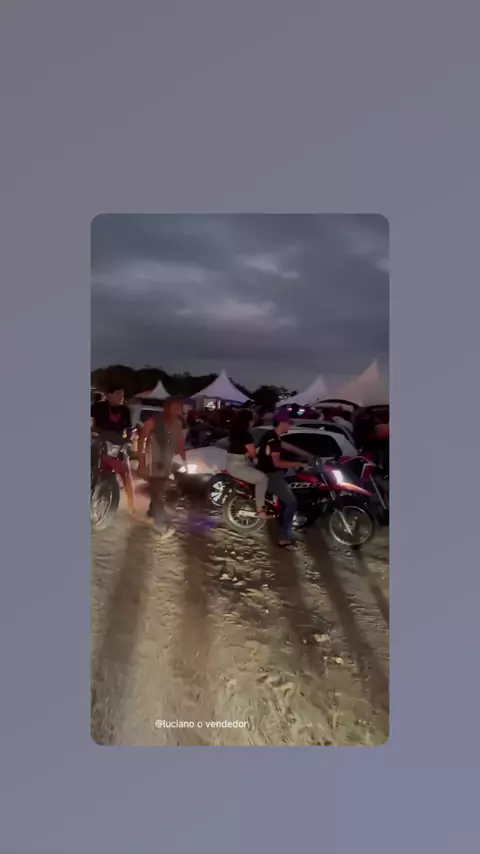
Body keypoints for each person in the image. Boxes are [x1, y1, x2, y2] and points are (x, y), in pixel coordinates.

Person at [256, 408, 309, 548]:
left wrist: (309, 455)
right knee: (292, 502)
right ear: (282, 423)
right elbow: (277, 463)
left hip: (271, 472)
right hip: (271, 475)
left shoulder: (272, 435)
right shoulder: (273, 440)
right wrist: (299, 464)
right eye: (288, 423)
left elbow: (289, 447)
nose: (289, 426)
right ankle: (284, 537)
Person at [137, 396, 186, 537]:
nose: (178, 411)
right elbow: (141, 443)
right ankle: (161, 525)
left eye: (180, 408)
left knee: (158, 491)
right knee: (158, 493)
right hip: (152, 463)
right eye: (175, 408)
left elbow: (179, 442)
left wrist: (184, 460)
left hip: (166, 463)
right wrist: (141, 463)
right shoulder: (152, 422)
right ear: (167, 408)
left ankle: (151, 513)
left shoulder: (177, 423)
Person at [90, 385, 136, 515]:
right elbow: (91, 423)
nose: (121, 397)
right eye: (118, 394)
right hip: (99, 442)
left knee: (126, 472)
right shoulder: (97, 407)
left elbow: (129, 429)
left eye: (122, 394)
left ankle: (132, 508)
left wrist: (129, 439)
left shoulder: (125, 410)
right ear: (109, 395)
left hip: (118, 444)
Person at [226, 409, 268, 519]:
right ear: (248, 420)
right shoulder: (245, 434)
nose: (253, 422)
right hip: (240, 465)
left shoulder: (233, 431)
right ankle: (260, 509)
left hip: (233, 462)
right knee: (262, 479)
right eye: (252, 419)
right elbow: (252, 452)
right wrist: (256, 457)